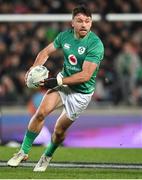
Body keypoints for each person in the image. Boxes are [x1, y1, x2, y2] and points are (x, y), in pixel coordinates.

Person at [7, 5, 104, 172]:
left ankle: (47, 155)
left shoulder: (95, 44)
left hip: (81, 93)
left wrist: (59, 81)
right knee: (40, 113)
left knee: (59, 131)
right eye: (79, 21)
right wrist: (33, 69)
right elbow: (45, 52)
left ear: (91, 23)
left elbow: (85, 75)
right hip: (63, 85)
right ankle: (23, 151)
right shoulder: (64, 36)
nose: (84, 25)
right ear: (72, 22)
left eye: (87, 21)